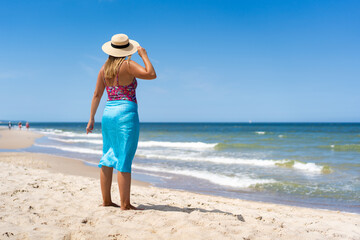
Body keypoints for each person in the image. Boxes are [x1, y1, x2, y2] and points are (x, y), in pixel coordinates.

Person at [86, 34, 156, 210]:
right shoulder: (128, 65)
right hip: (126, 113)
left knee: (107, 155)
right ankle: (125, 204)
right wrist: (144, 55)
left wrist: (91, 118)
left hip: (108, 113)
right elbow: (151, 74)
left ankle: (107, 201)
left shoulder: (104, 69)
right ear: (126, 49)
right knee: (124, 156)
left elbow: (97, 94)